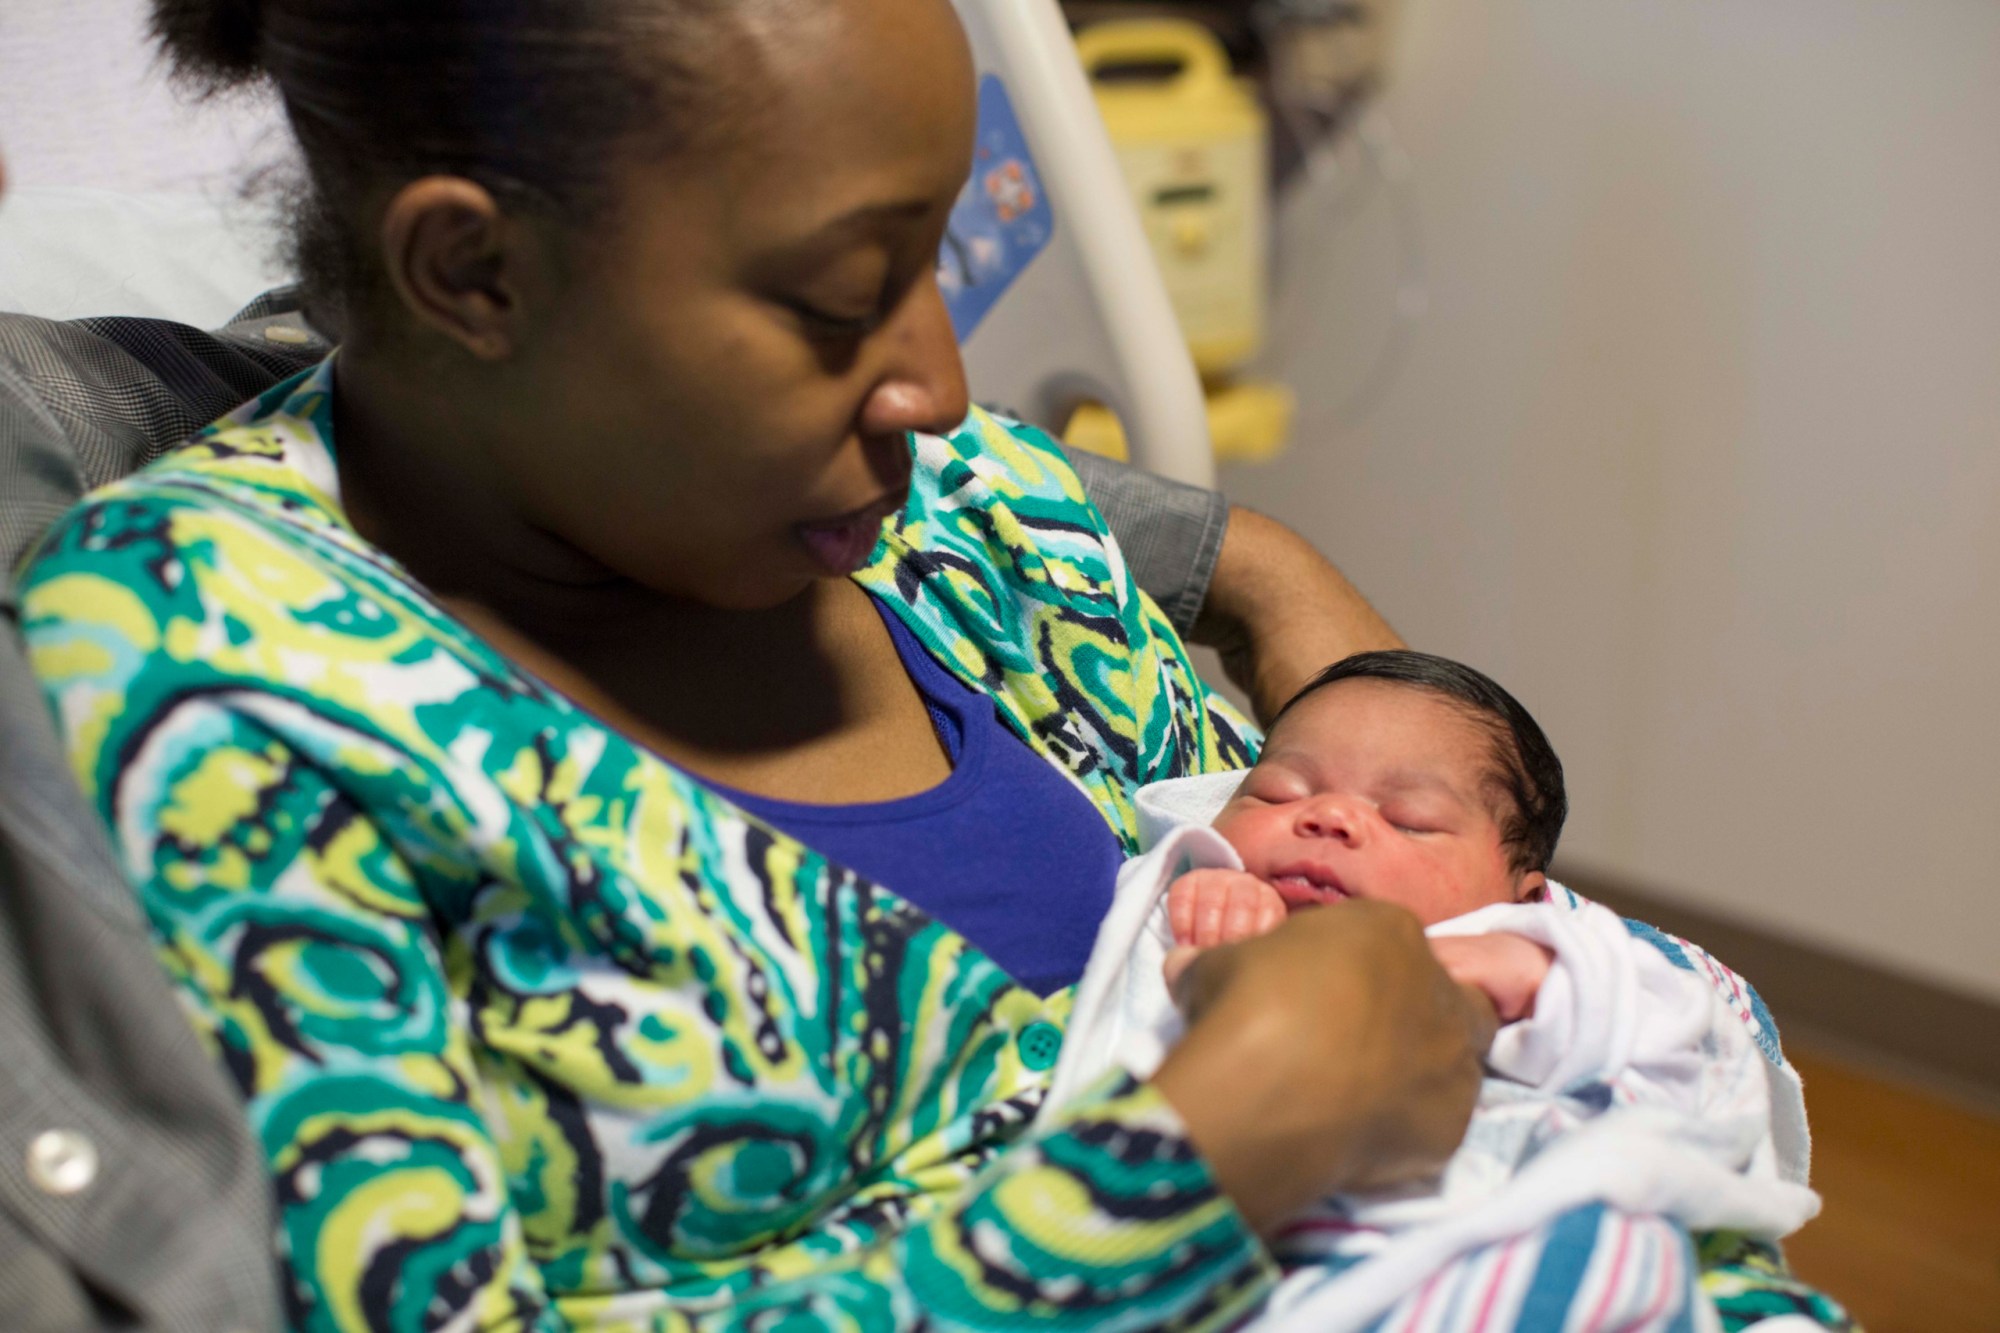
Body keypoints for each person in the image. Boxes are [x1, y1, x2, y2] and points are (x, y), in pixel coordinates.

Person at [8, 1, 1502, 1327]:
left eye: (937, 261)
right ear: (474, 270)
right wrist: (1223, 1145)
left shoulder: (973, 514)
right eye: (842, 300)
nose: (941, 384)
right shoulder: (220, 657)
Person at [1049, 651, 1840, 1330]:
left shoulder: (1536, 951)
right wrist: (1213, 931)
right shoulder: (1195, 901)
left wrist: (1536, 974)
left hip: (1530, 1236)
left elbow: (1672, 1042)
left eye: (1410, 818)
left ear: (1520, 895)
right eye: (1279, 793)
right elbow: (1154, 1043)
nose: (1326, 816)